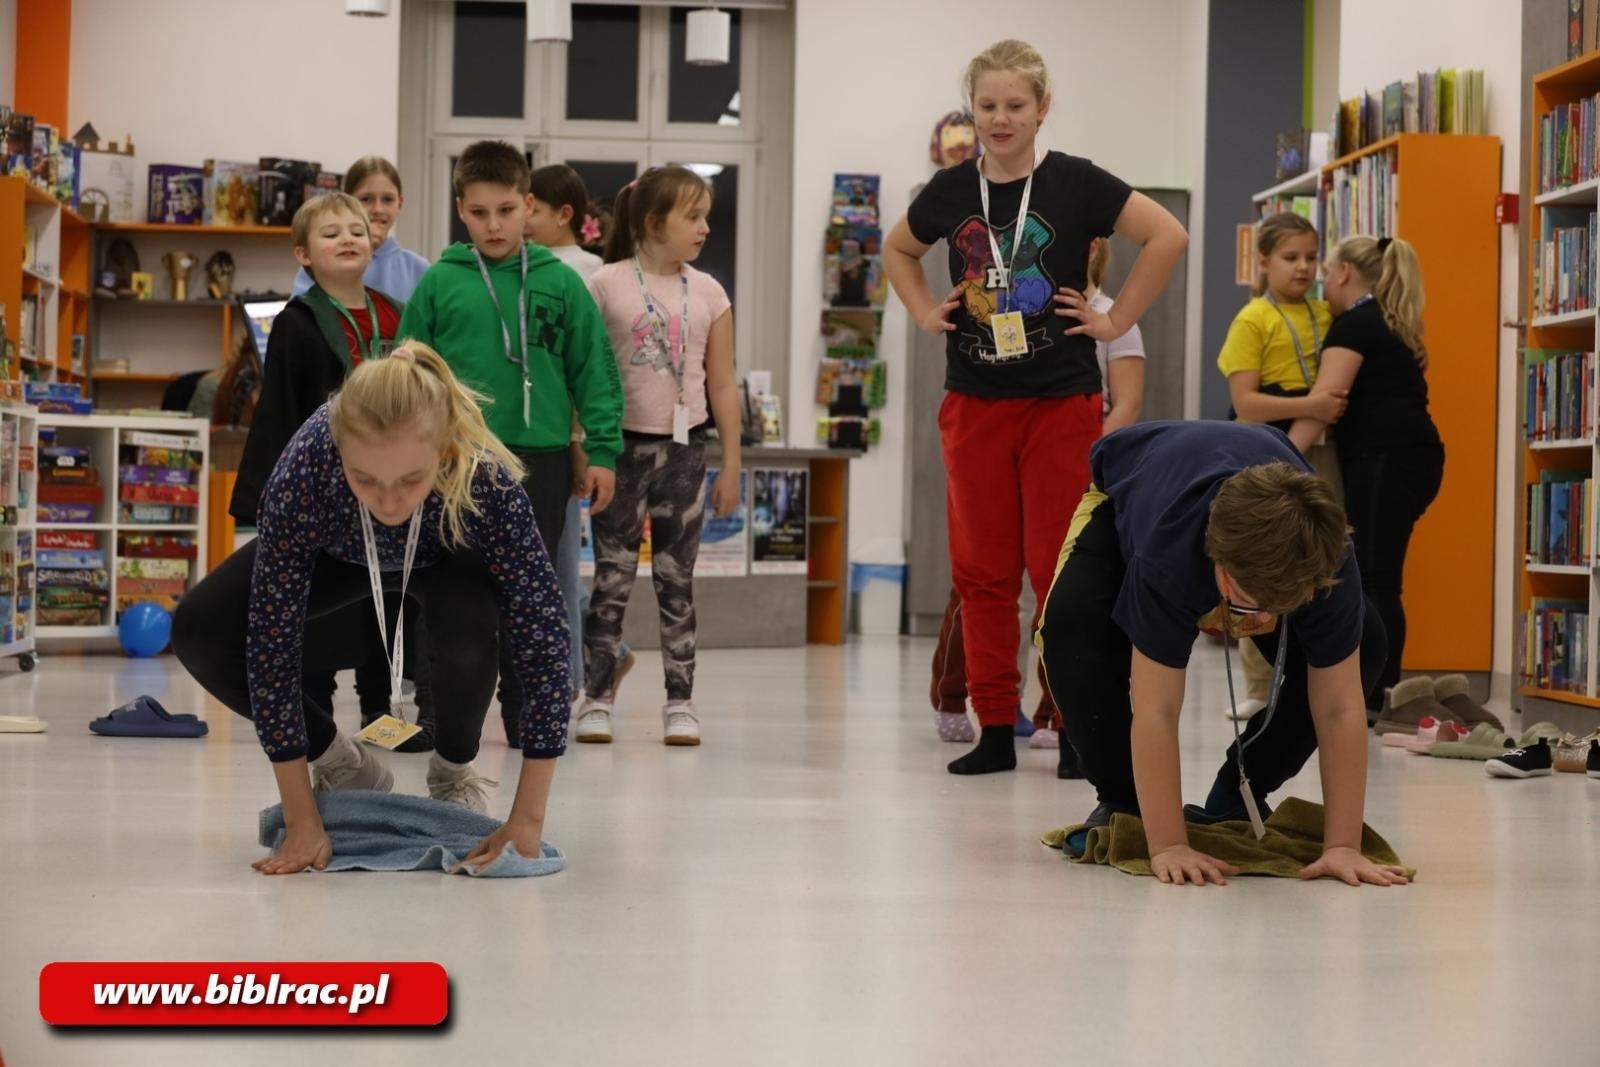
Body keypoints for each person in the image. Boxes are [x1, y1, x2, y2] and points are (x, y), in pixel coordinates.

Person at [885, 38, 1188, 775]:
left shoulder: (1078, 182)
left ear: (1042, 109)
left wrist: (1114, 323)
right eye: (986, 105)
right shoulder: (950, 189)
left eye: (1015, 105)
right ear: (972, 109)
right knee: (983, 573)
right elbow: (898, 251)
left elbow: (1167, 235)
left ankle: (1072, 724)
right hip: (975, 404)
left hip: (1061, 402)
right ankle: (995, 726)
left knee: (1062, 571)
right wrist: (925, 311)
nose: (999, 118)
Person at [174, 345, 570, 875]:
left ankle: (453, 769)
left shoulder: (486, 480)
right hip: (340, 553)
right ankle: (342, 763)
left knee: (470, 624)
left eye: (410, 479)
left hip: (445, 548)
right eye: (366, 479)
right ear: (340, 452)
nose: (388, 502)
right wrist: (302, 820)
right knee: (201, 627)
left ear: (445, 451)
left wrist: (528, 819)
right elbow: (272, 644)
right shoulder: (304, 468)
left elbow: (544, 640)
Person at [1036, 420, 1408, 888]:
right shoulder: (1169, 554)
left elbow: (1338, 708)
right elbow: (1158, 709)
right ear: (1218, 562)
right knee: (1071, 634)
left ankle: (1239, 788)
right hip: (1126, 494)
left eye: (1280, 609)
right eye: (1250, 606)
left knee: (1366, 645)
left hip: (1256, 538)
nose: (1261, 621)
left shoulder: (1328, 556)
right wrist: (1169, 844)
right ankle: (1123, 801)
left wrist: (1342, 847)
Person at [398, 140, 624, 746]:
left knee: (529, 592)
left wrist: (601, 451)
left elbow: (594, 371)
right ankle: (436, 714)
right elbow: (406, 373)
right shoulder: (440, 283)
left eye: (505, 210)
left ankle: (526, 713)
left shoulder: (562, 284)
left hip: (540, 461)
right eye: (479, 212)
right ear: (459, 211)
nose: (493, 225)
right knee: (444, 585)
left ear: (528, 206)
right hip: (454, 459)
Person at [230, 193, 424, 743]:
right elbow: (281, 411)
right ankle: (316, 725)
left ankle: (380, 716)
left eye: (357, 230)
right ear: (303, 254)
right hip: (322, 490)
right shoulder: (297, 323)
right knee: (315, 610)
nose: (347, 239)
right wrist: (273, 495)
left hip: (388, 488)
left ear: (375, 241)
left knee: (382, 603)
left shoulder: (398, 316)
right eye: (330, 233)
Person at [574, 165, 743, 746]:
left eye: (705, 217)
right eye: (692, 217)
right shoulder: (605, 284)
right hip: (618, 449)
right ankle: (596, 696)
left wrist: (732, 466)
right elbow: (587, 375)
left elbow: (722, 384)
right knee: (612, 579)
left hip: (686, 451)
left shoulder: (711, 292)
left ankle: (681, 700)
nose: (703, 228)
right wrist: (582, 448)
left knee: (678, 581)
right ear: (652, 222)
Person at [1288, 235, 1444, 711]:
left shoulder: (1355, 325)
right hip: (1415, 458)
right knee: (1380, 578)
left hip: (1384, 460)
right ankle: (1381, 691)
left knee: (1375, 581)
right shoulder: (1396, 324)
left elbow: (1327, 403)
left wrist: (1276, 456)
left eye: (1324, 269)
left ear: (1341, 274)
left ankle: (1376, 695)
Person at [1216, 211, 1349, 722]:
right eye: (1291, 258)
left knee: (1323, 557)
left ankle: (1315, 674)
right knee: (1261, 561)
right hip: (1263, 447)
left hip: (1318, 446)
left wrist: (1315, 415)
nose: (1303, 268)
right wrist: (1310, 408)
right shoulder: (1254, 318)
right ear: (1264, 261)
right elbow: (1245, 402)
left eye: (1312, 258)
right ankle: (1257, 679)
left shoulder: (1323, 313)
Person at [524, 163, 636, 703]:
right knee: (547, 563)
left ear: (564, 215)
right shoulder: (526, 265)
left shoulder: (585, 273)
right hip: (538, 436)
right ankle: (605, 653)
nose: (521, 218)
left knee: (559, 566)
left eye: (532, 209)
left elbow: (585, 367)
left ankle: (565, 683)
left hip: (564, 440)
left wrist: (584, 443)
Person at [292, 156, 430, 303]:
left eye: (387, 199)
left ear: (400, 204)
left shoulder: (418, 269)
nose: (378, 209)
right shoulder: (319, 265)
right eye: (366, 199)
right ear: (347, 202)